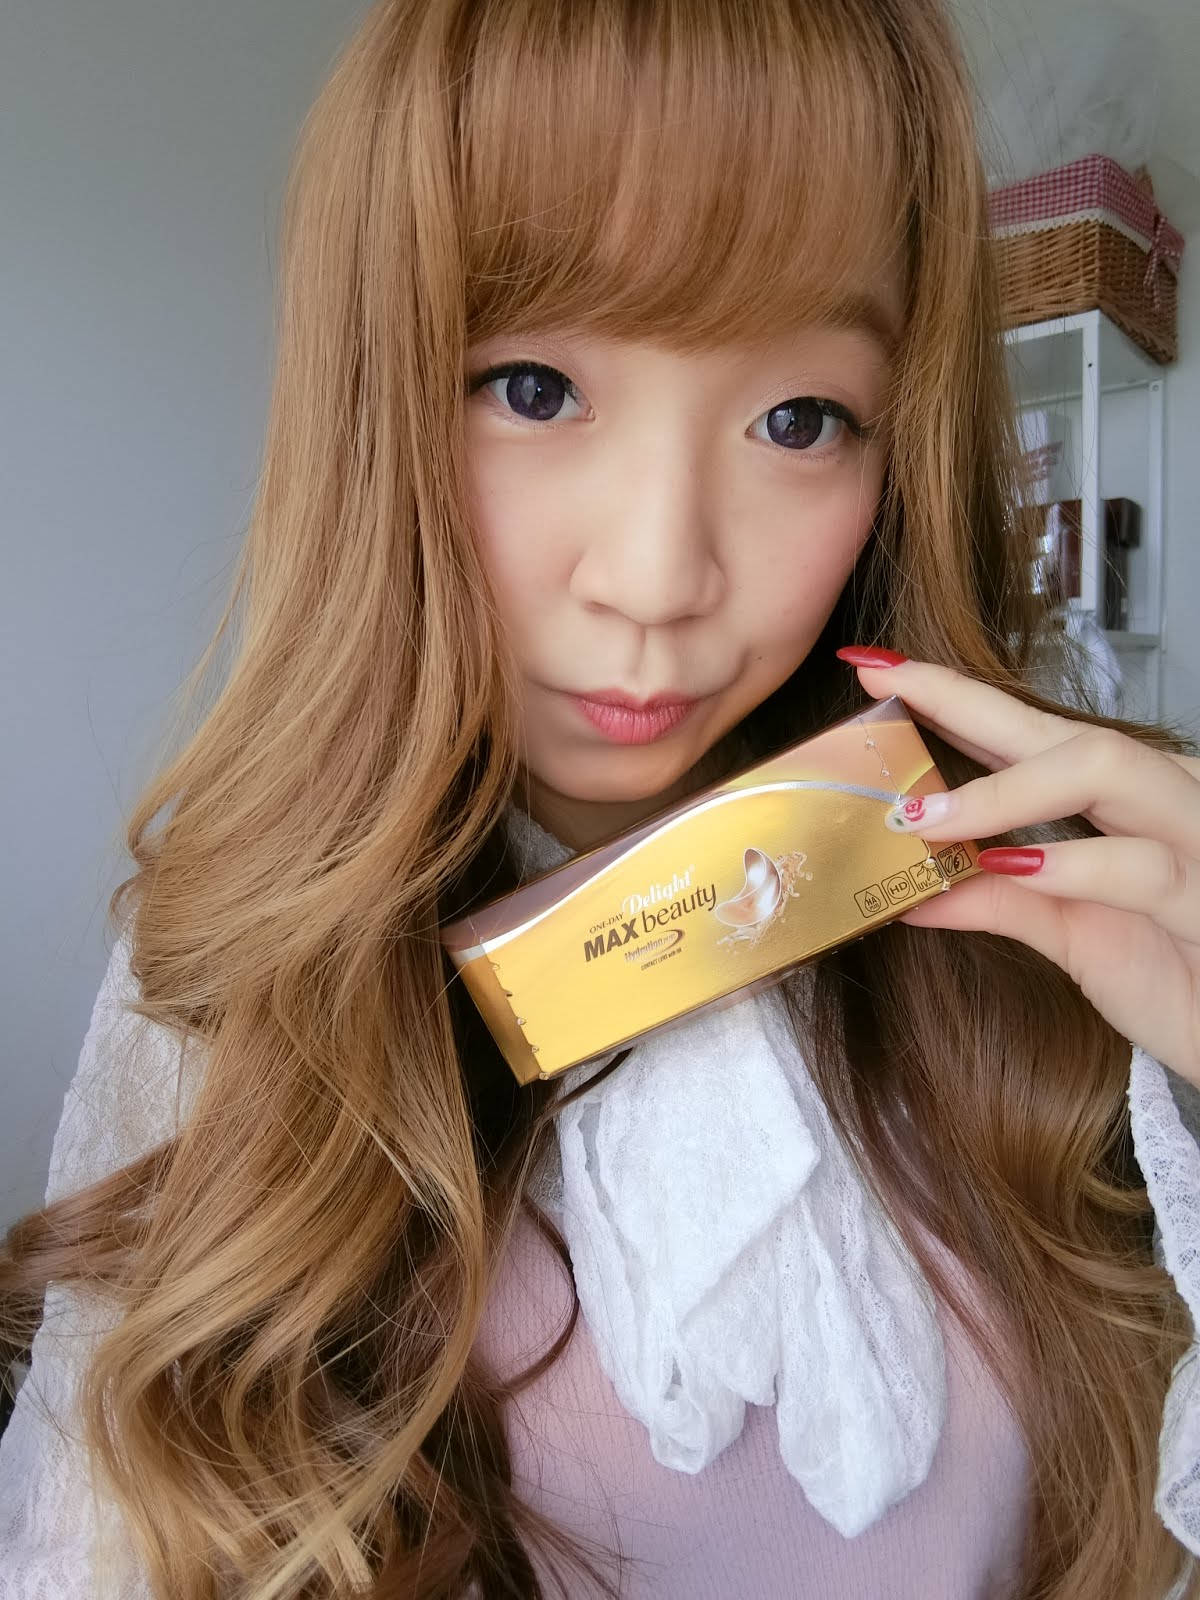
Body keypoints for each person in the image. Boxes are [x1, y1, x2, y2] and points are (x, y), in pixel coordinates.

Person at [2, 0, 1199, 1596]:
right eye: (533, 387)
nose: (655, 577)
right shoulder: (228, 975)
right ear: (378, 397)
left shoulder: (1052, 952)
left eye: (799, 421)